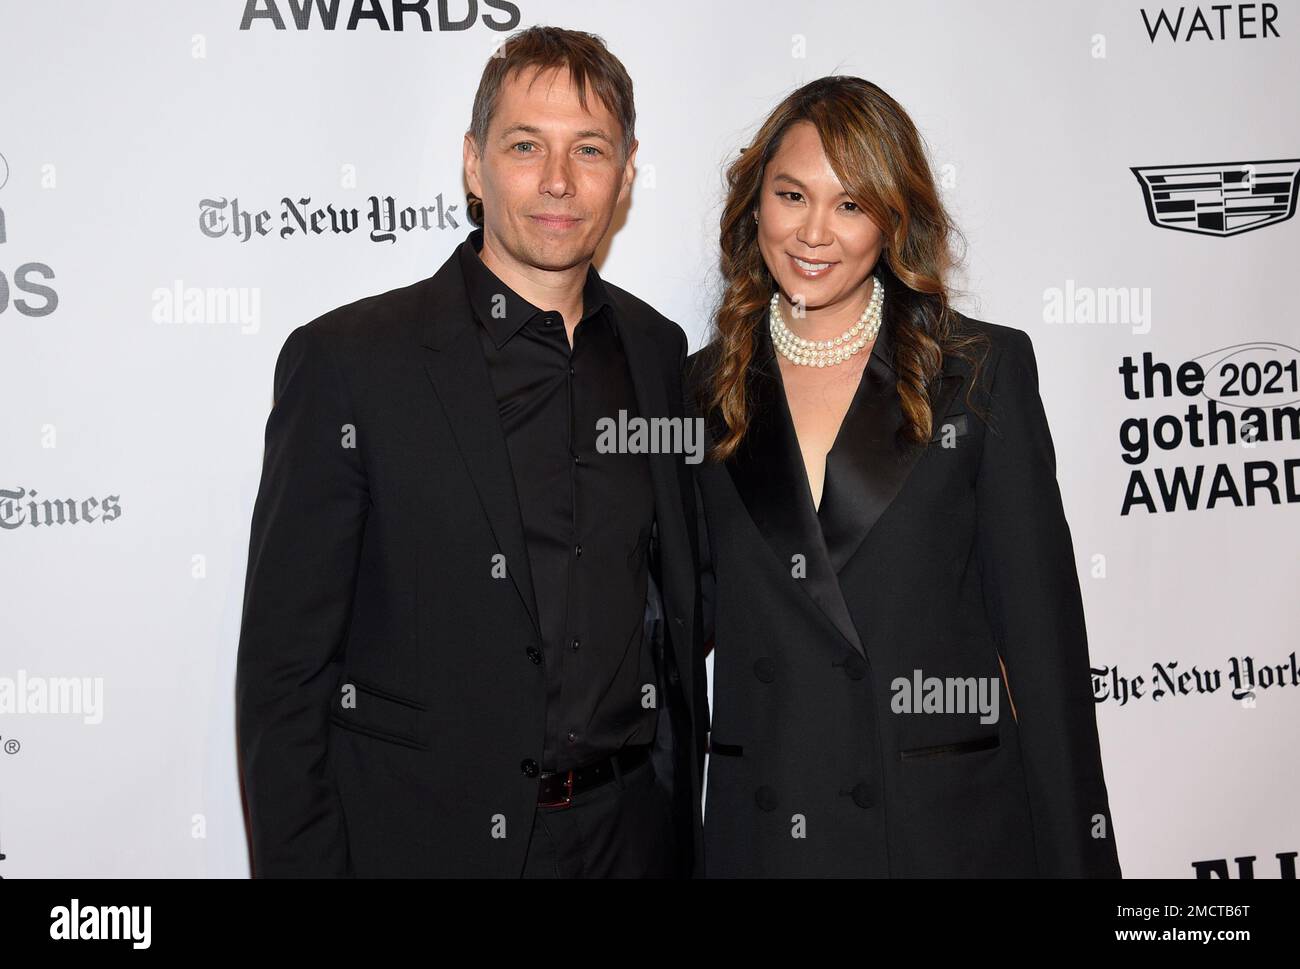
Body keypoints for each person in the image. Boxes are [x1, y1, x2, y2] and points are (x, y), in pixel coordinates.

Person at [236, 25, 706, 878]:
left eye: (589, 150)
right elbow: (283, 675)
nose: (557, 181)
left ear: (626, 172)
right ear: (472, 162)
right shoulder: (350, 362)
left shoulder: (658, 352)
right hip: (426, 842)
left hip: (628, 840)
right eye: (526, 145)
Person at [686, 76, 1121, 877]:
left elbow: (1042, 649)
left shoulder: (978, 372)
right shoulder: (698, 392)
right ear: (756, 206)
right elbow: (675, 630)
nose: (815, 232)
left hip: (941, 831)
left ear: (894, 218)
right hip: (768, 829)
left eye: (851, 204)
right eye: (791, 195)